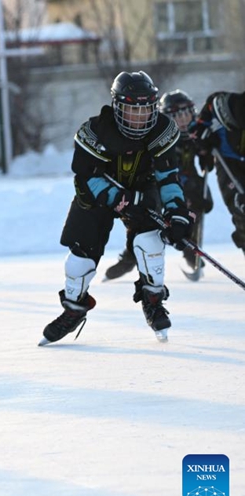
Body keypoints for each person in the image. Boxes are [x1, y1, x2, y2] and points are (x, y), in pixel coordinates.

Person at [40, 71, 192, 345]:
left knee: (151, 243)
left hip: (143, 192)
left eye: (146, 110)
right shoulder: (93, 132)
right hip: (96, 196)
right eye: (132, 110)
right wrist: (118, 198)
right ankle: (74, 308)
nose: (140, 118)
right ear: (117, 107)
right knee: (78, 261)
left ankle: (153, 300)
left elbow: (168, 178)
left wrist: (177, 213)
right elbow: (87, 176)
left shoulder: (163, 131)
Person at [104, 89, 213, 281]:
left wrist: (207, 155)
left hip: (188, 184)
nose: (183, 119)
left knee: (194, 210)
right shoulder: (163, 137)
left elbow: (204, 157)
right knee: (146, 223)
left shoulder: (196, 134)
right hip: (158, 186)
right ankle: (130, 258)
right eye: (177, 115)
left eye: (186, 113)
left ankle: (190, 250)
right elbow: (166, 173)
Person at [189, 88, 245, 258]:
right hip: (229, 162)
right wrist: (202, 136)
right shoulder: (229, 105)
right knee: (240, 207)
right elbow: (212, 103)